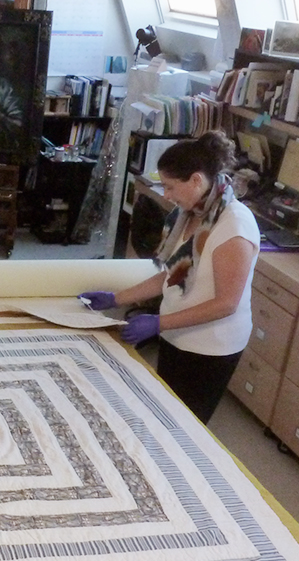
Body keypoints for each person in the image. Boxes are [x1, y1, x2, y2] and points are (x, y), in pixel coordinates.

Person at [80, 130, 259, 424]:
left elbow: (226, 303)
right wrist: (115, 299)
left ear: (196, 181)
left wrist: (158, 322)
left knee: (184, 426)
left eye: (171, 187)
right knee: (163, 414)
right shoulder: (189, 215)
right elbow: (169, 276)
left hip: (209, 348)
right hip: (176, 335)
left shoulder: (233, 227)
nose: (166, 195)